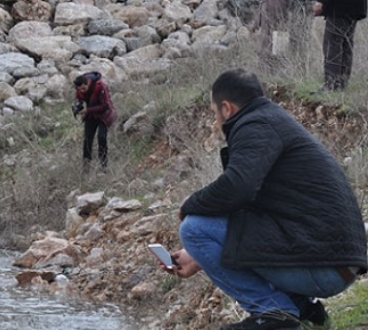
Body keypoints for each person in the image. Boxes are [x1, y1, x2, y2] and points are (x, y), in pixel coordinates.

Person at [164, 68, 367, 330]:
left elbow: (238, 188)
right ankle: (304, 310)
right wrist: (198, 255)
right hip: (334, 263)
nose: (216, 123)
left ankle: (275, 314)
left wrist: (189, 205)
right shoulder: (271, 121)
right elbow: (251, 211)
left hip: (326, 268)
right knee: (200, 231)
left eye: (214, 113)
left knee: (194, 226)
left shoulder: (256, 126)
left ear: (227, 108)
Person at [314, 0, 367, 91]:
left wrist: (322, 2)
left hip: (339, 7)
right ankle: (341, 84)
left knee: (332, 44)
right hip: (355, 7)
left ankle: (331, 84)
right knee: (346, 44)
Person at [73, 72, 118, 172]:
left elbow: (105, 105)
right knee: (87, 140)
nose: (82, 91)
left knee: (101, 137)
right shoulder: (79, 89)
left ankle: (104, 165)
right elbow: (79, 99)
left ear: (87, 83)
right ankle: (86, 166)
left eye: (83, 89)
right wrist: (77, 106)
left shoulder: (101, 86)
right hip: (91, 115)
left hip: (105, 114)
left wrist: (87, 110)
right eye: (79, 89)